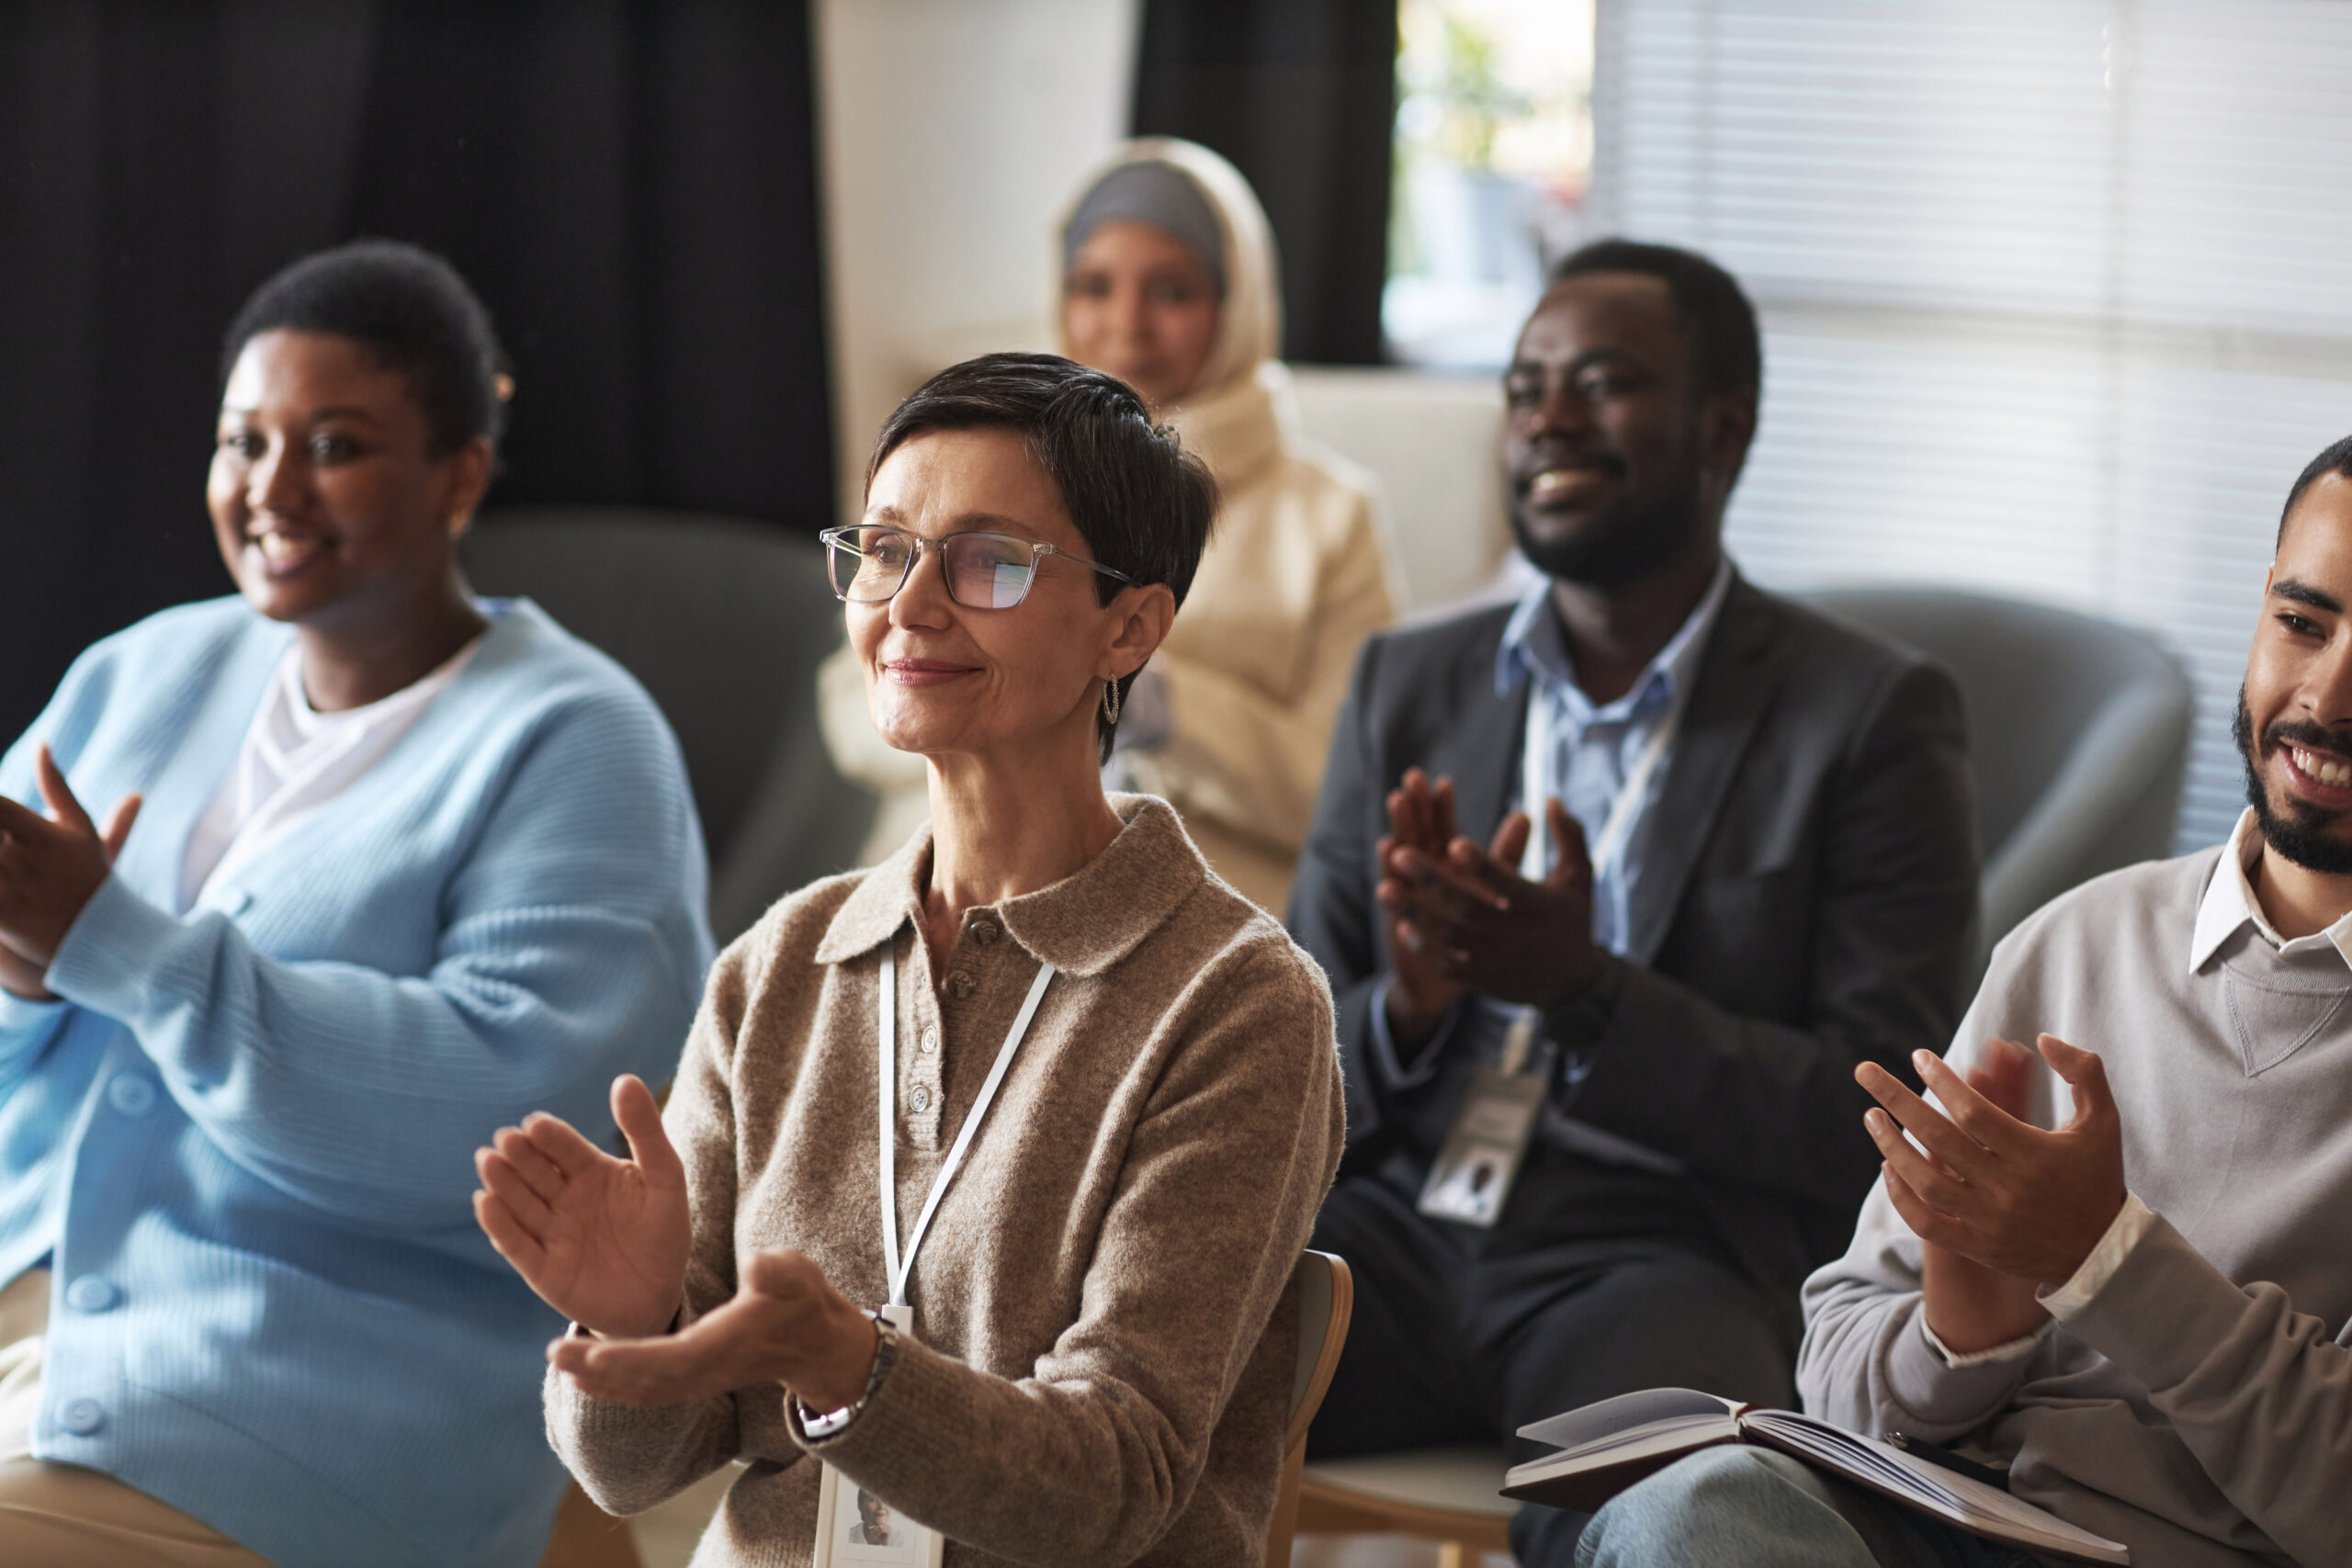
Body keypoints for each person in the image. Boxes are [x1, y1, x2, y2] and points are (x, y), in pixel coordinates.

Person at [474, 354, 1346, 1565]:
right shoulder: (783, 962)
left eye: (988, 561)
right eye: (884, 551)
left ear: (1130, 624)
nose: (911, 605)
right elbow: (632, 1473)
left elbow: (1116, 1477)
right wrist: (633, 1322)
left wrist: (852, 1367)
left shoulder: (1237, 1002)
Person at [0, 240, 711, 1567]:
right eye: (240, 441)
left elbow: (513, 1128)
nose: (270, 488)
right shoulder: (142, 671)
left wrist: (115, 945)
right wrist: (26, 980)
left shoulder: (577, 738)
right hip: (35, 1323)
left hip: (284, 1400)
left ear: (461, 475)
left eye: (331, 444)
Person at [1287, 239, 1981, 1564]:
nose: (1548, 415)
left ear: (1726, 424)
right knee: (1090, 1360)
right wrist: (1416, 1005)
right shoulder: (1407, 685)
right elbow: (1285, 1054)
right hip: (1384, 1230)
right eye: (1524, 384)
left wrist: (1587, 992)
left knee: (1687, 1528)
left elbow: (1880, 1120)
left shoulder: (1873, 716)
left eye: (1601, 382)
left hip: (1651, 1256)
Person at [1576, 436, 2352, 1568]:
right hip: (1943, 1525)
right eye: (2301, 622)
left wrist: (2106, 1258)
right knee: (1685, 1509)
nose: (2324, 696)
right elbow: (1836, 1367)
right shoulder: (2077, 942)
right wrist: (1959, 1338)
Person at [820, 137, 1398, 911]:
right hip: (945, 881)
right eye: (1094, 286)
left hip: (1208, 901)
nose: (1127, 324)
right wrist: (994, 707)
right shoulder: (970, 477)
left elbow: (1354, 778)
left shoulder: (1329, 516)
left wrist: (1166, 705)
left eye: (1171, 291)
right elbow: (851, 704)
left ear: (1238, 306)